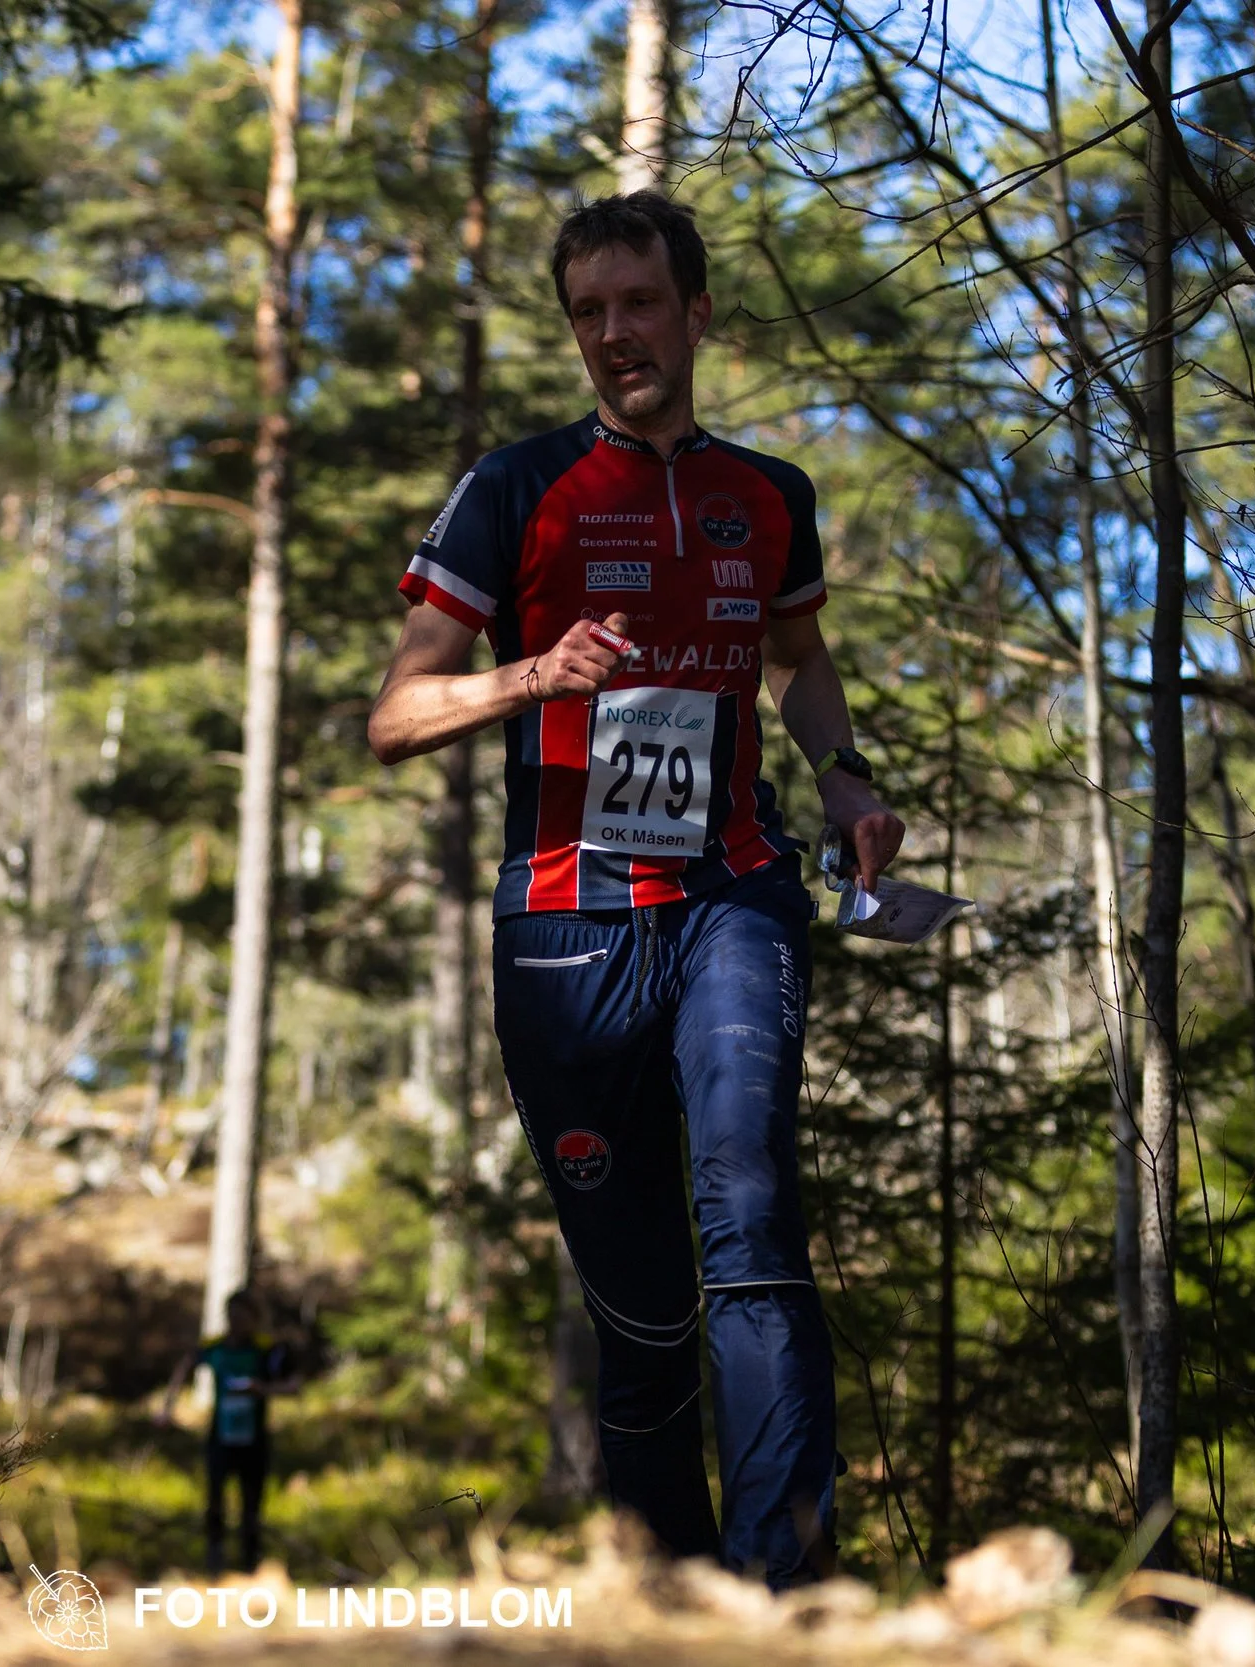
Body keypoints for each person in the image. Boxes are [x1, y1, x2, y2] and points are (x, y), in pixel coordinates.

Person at [366, 191, 905, 1588]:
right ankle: (669, 1601)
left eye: (641, 304)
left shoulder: (766, 494)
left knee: (754, 1208)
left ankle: (787, 1591)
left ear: (698, 313)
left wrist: (844, 779)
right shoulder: (515, 487)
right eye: (590, 312)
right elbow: (397, 715)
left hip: (731, 892)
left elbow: (799, 658)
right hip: (564, 927)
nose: (617, 335)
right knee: (646, 1311)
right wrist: (534, 674)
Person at [158, 1286, 295, 1577]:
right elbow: (185, 1365)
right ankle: (215, 1563)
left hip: (254, 1439)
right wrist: (167, 1408)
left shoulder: (266, 1349)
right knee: (215, 1501)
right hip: (220, 1436)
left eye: (243, 1317)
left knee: (251, 1505)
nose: (237, 1323)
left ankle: (249, 1563)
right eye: (232, 1317)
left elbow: (293, 1385)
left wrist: (263, 1389)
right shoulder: (215, 1346)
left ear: (255, 1319)